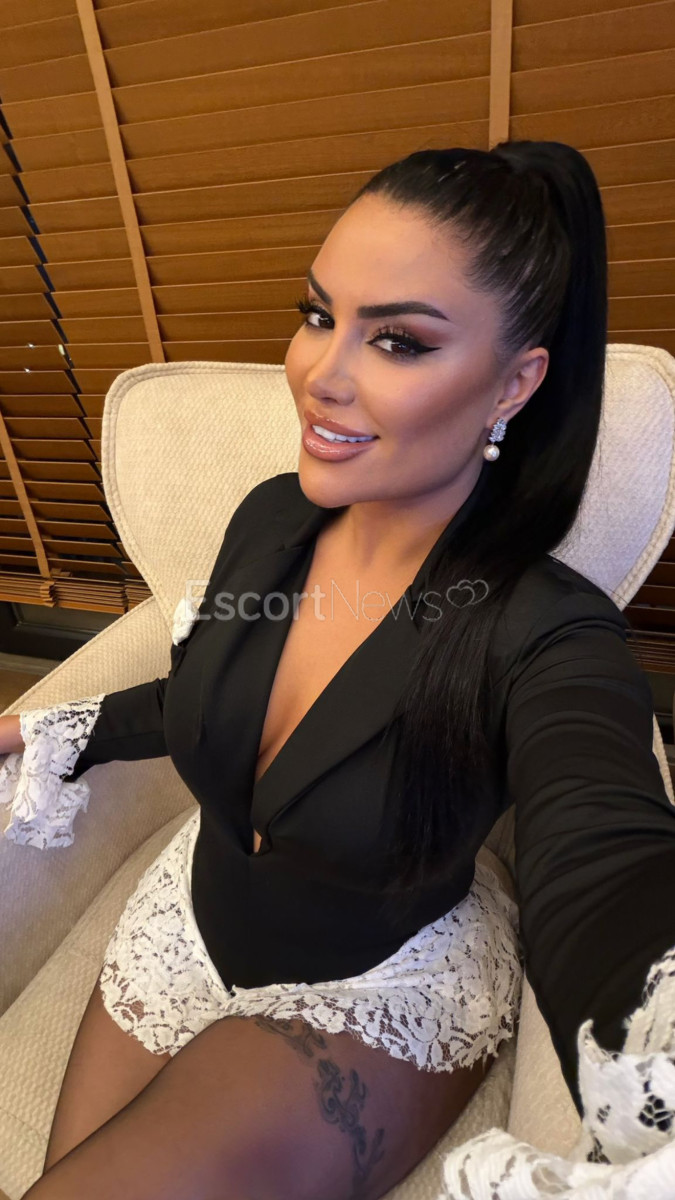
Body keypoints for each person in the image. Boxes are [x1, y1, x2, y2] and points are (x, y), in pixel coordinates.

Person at [1, 140, 674, 1200]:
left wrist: (652, 1027)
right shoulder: (271, 519)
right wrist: (39, 727)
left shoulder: (546, 631)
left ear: (514, 382)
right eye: (319, 315)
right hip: (189, 923)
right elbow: (204, 698)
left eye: (398, 339)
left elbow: (605, 852)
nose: (321, 373)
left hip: (377, 986)